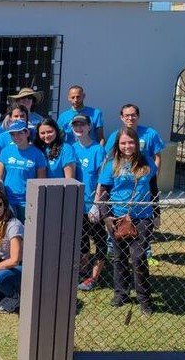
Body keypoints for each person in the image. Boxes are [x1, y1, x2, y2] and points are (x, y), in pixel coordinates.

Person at [95, 126, 159, 315]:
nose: (127, 146)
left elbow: (154, 188)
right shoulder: (111, 164)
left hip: (143, 215)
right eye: (123, 143)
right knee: (119, 256)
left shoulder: (146, 161)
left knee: (139, 257)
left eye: (130, 142)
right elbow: (104, 193)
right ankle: (121, 293)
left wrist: (157, 214)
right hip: (117, 216)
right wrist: (106, 216)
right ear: (118, 144)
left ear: (136, 144)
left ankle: (144, 299)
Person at [70, 114, 108, 292]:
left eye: (82, 125)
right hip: (77, 204)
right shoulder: (71, 149)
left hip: (93, 204)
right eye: (75, 125)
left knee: (100, 240)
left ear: (89, 127)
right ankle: (83, 271)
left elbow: (103, 178)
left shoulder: (98, 150)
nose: (79, 128)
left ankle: (94, 277)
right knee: (82, 240)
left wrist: (97, 203)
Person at [0, 120, 47, 222]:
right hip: (8, 200)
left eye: (19, 133)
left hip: (28, 201)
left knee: (27, 233)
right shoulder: (6, 151)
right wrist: (3, 197)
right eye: (13, 134)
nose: (16, 137)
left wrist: (35, 200)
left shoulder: (38, 154)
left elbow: (41, 180)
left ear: (27, 133)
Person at [104, 104, 165, 170]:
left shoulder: (151, 134)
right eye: (127, 115)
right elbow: (107, 158)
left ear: (138, 116)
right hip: (122, 176)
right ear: (121, 117)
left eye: (133, 115)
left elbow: (157, 158)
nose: (130, 118)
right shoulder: (115, 136)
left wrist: (154, 177)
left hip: (145, 176)